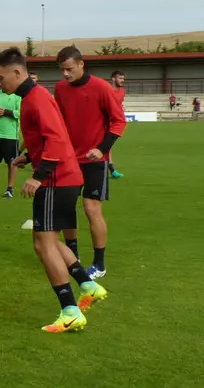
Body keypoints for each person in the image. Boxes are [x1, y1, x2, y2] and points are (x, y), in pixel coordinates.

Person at [0, 47, 107, 333]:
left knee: (42, 244)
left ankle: (69, 311)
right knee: (52, 241)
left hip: (57, 180)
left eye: (0, 77)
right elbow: (55, 136)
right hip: (66, 178)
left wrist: (38, 176)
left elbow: (55, 139)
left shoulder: (36, 99)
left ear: (18, 73)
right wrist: (29, 156)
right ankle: (88, 285)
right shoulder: (36, 97)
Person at [54, 46, 127, 279]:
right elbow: (59, 123)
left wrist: (101, 149)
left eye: (69, 69)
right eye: (62, 70)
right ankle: (72, 257)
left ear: (81, 64)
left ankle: (99, 264)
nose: (65, 74)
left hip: (95, 160)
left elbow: (118, 122)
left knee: (90, 208)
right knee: (65, 209)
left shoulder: (102, 88)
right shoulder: (60, 89)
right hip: (68, 160)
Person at [108, 71, 126, 179]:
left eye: (123, 78)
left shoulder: (122, 92)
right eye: (120, 78)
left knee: (107, 147)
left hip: (115, 123)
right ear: (113, 79)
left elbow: (118, 104)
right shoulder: (107, 90)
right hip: (104, 122)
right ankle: (112, 171)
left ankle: (111, 170)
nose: (122, 80)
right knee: (106, 147)